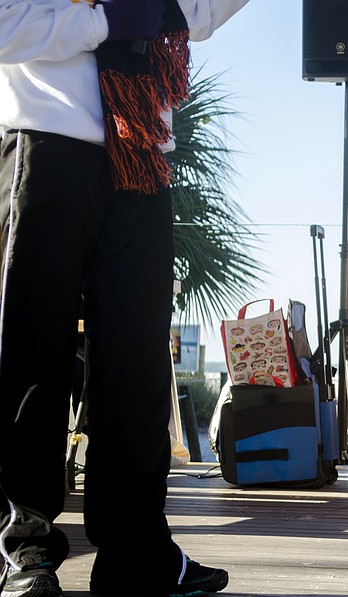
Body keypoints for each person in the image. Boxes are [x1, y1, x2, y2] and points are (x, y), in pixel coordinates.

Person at [0, 1, 250, 596]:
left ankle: (135, 553)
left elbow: (199, 12)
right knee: (29, 358)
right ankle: (23, 548)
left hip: (141, 151)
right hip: (43, 143)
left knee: (137, 366)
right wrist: (108, 21)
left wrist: (155, 10)